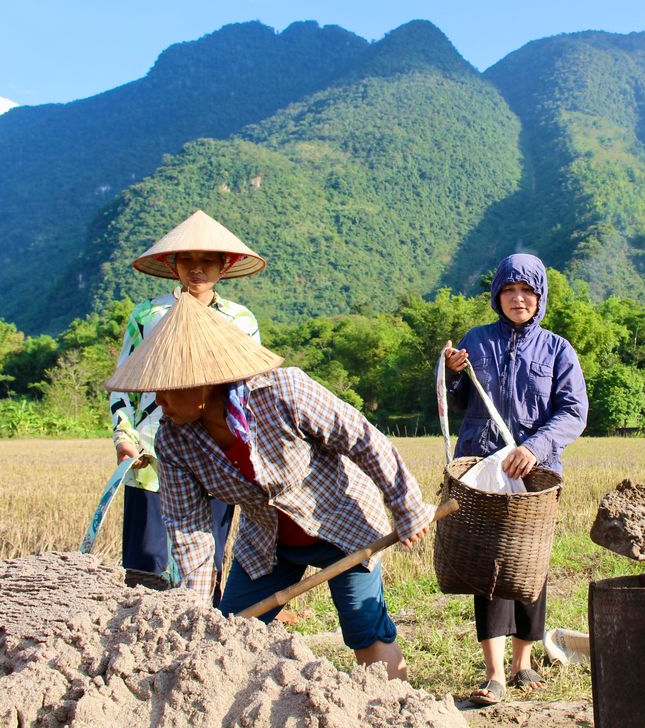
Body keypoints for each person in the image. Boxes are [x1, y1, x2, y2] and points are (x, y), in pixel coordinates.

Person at [105, 291, 433, 680]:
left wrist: (406, 506)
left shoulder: (283, 392)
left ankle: (395, 712)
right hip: (266, 541)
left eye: (167, 388)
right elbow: (190, 533)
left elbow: (364, 439)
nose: (158, 402)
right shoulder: (175, 442)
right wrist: (195, 617)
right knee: (229, 630)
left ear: (205, 381)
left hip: (344, 524)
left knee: (366, 633)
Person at [443, 253, 588, 705]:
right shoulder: (476, 341)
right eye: (509, 291)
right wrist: (450, 374)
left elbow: (573, 412)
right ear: (497, 296)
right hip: (482, 469)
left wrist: (535, 447)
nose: (518, 298)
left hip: (535, 471)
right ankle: (494, 673)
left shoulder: (558, 349)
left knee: (530, 566)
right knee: (490, 565)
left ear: (540, 298)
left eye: (527, 291)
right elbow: (455, 399)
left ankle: (523, 663)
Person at [109, 209, 264, 599]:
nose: (197, 270)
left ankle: (202, 643)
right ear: (172, 264)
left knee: (205, 562)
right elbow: (123, 386)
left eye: (207, 261)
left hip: (218, 456)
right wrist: (123, 437)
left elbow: (254, 392)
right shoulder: (148, 316)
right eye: (187, 261)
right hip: (151, 455)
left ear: (224, 265)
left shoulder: (240, 320)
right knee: (145, 565)